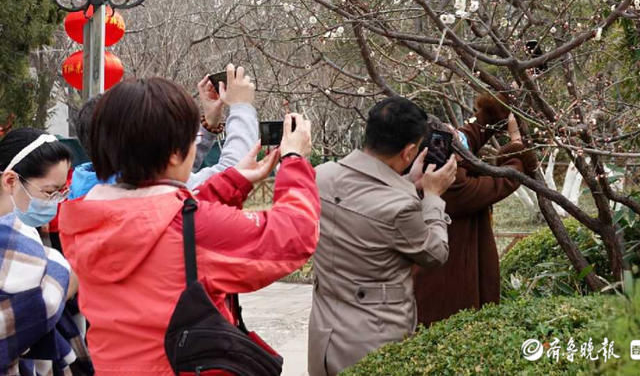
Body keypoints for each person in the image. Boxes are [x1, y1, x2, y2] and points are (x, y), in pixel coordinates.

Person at [59, 77, 320, 375]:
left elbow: (167, 221)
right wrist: (295, 160)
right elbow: (293, 237)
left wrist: (234, 181)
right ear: (174, 152)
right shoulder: (194, 229)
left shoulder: (82, 219)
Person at [308, 96, 457, 376]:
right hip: (375, 338)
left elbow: (365, 199)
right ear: (410, 151)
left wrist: (404, 183)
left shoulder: (320, 177)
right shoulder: (400, 207)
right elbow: (435, 254)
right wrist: (433, 198)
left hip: (324, 333)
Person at [414, 94, 539, 326]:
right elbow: (504, 181)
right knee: (453, 327)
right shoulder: (450, 183)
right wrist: (516, 142)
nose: (455, 132)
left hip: (428, 280)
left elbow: (471, 134)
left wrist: (504, 100)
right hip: (447, 285)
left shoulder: (425, 166)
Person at [68, 63, 259, 199]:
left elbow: (173, 167)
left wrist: (207, 126)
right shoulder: (148, 195)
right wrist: (241, 106)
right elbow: (233, 172)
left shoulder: (88, 186)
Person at [0, 128, 84, 374]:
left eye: (62, 192)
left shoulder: (31, 233)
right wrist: (67, 277)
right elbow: (41, 306)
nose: (56, 202)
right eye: (49, 192)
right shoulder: (13, 238)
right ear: (11, 181)